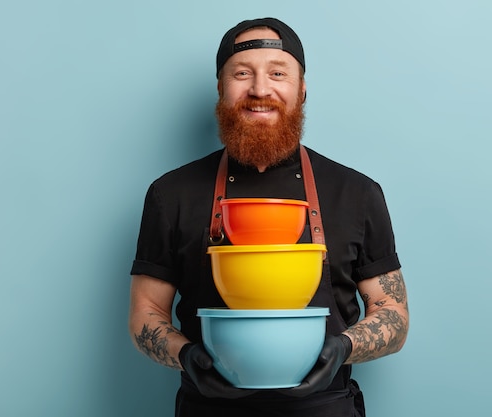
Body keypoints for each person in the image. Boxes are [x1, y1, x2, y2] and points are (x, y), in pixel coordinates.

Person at [129, 17, 409, 417]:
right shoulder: (170, 194)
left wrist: (342, 348)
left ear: (302, 88)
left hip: (325, 408)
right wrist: (187, 356)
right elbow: (146, 314)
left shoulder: (358, 193)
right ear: (221, 89)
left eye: (278, 73)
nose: (260, 89)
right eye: (242, 74)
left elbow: (393, 314)